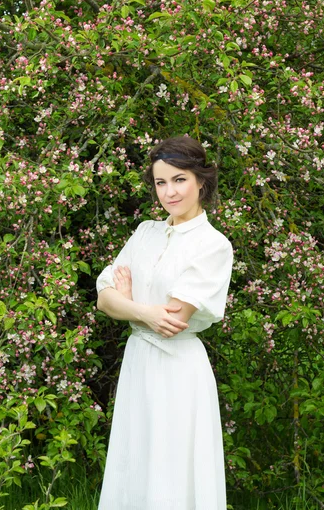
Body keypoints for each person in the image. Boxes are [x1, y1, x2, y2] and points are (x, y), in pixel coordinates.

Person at [96, 135, 233, 510]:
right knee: (133, 464)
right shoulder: (146, 233)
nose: (169, 192)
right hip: (138, 362)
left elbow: (172, 320)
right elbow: (104, 297)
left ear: (200, 181)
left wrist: (129, 302)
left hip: (178, 371)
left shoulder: (213, 244)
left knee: (172, 473)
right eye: (160, 182)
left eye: (179, 179)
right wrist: (141, 310)